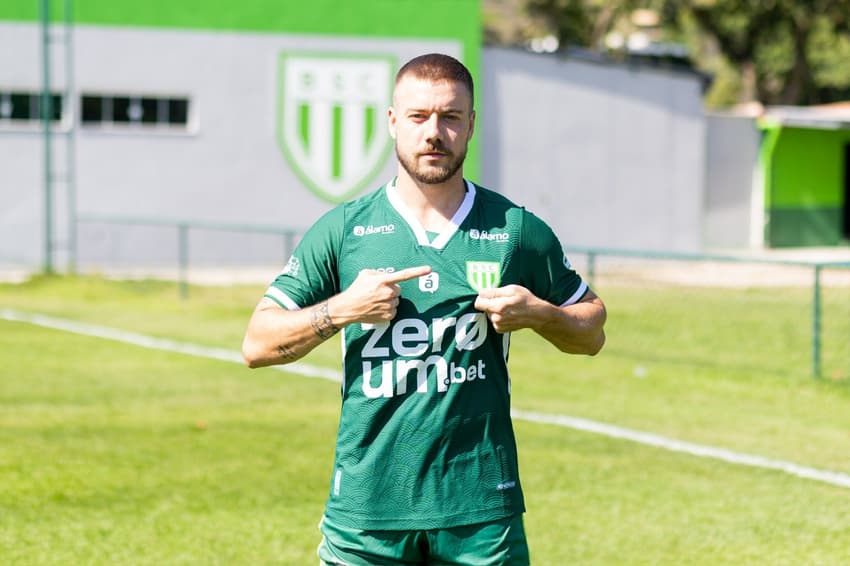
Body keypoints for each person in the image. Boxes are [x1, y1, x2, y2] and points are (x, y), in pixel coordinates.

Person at [242, 53, 607, 565]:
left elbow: (591, 330)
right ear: (392, 121)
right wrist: (342, 310)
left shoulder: (514, 229)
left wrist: (541, 315)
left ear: (471, 125)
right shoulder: (345, 230)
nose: (434, 133)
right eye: (417, 117)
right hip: (367, 510)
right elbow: (257, 344)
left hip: (479, 508)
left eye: (450, 117)